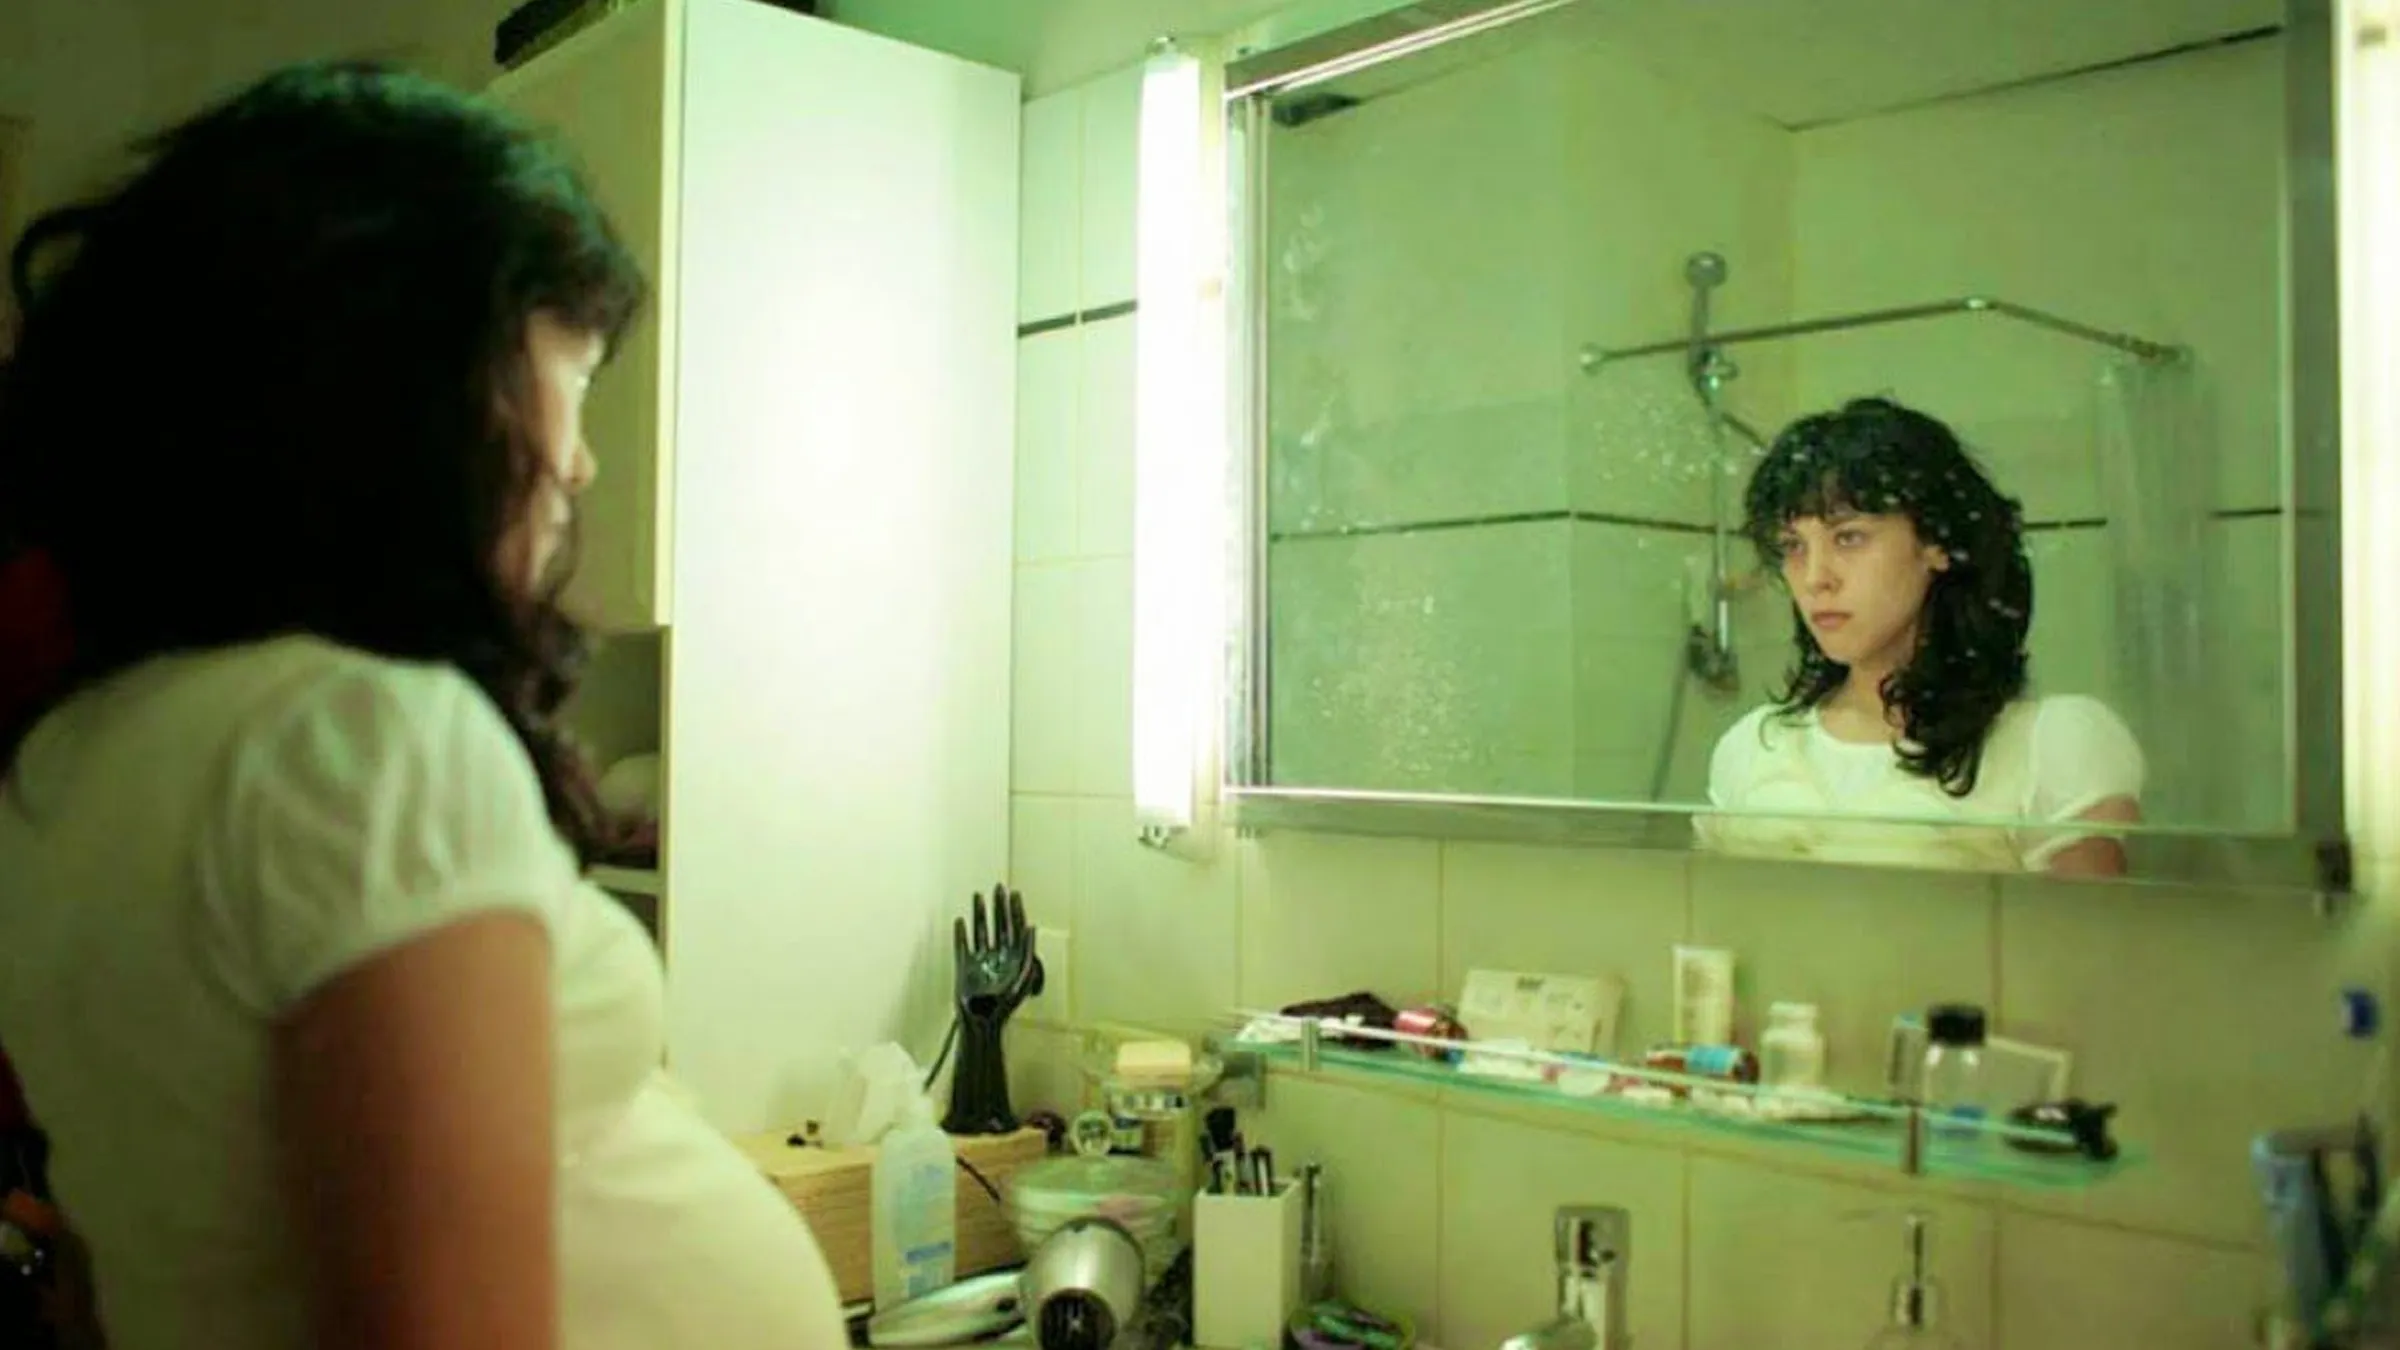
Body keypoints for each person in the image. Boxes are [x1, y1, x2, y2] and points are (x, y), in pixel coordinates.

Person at [0, 63, 845, 1350]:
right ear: (402, 384)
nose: (579, 462)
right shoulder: (361, 742)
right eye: (565, 379)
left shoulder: (69, 759)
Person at [1696, 396, 2144, 876]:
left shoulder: (2051, 746)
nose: (1815, 577)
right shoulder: (1751, 747)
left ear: (1937, 543)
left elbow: (2090, 927)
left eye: (1848, 537)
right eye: (1793, 546)